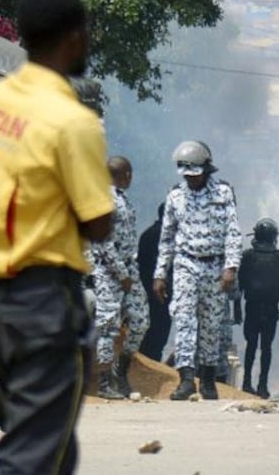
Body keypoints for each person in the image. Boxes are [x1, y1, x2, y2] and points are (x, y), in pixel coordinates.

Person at [0, 0, 114, 474]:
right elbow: (99, 223)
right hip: (44, 302)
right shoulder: (72, 122)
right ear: (74, 36)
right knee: (34, 455)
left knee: (51, 445)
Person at [152, 141, 243, 401]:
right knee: (184, 320)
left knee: (211, 325)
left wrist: (231, 267)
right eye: (187, 175)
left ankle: (209, 380)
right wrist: (160, 274)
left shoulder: (223, 193)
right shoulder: (175, 197)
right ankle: (186, 380)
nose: (191, 179)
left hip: (215, 265)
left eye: (196, 174)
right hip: (185, 264)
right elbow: (167, 238)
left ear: (206, 169)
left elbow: (233, 232)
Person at [90, 156, 149, 400]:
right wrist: (121, 274)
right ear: (124, 175)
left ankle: (120, 371)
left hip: (129, 269)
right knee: (108, 326)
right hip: (108, 272)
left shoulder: (121, 198)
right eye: (128, 173)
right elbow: (103, 243)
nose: (130, 178)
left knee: (141, 321)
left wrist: (128, 273)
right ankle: (104, 383)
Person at [236, 218, 279, 399]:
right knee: (266, 347)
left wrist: (237, 307)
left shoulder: (248, 256)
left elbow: (240, 284)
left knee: (251, 345)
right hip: (271, 308)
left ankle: (246, 382)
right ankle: (262, 385)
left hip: (251, 307)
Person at [137, 204, 172, 362]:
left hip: (145, 292)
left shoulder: (147, 234)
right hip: (162, 294)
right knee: (159, 332)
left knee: (148, 332)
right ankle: (152, 364)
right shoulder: (167, 238)